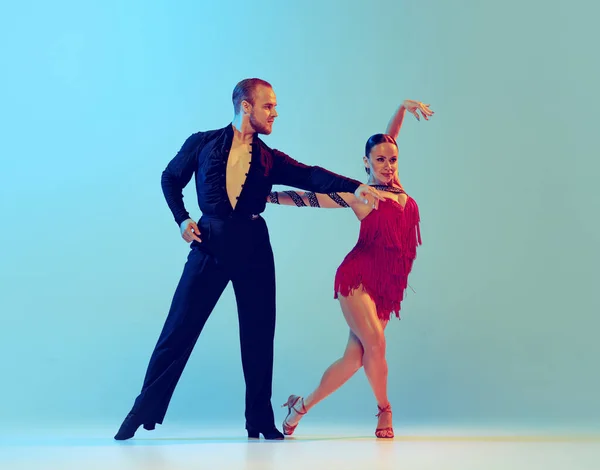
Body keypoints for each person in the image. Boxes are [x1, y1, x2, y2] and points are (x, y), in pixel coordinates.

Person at [113, 78, 385, 441]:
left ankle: (259, 420)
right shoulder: (202, 142)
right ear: (246, 107)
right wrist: (182, 218)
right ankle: (140, 411)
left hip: (254, 247)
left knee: (258, 335)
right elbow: (169, 178)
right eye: (268, 106)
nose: (275, 113)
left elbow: (309, 175)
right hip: (209, 243)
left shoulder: (269, 159)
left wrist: (354, 185)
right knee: (178, 330)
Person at [266, 99, 434, 438]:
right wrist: (267, 197)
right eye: (380, 161)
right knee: (376, 345)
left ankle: (300, 406)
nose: (388, 166)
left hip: (388, 285)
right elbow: (310, 198)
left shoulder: (396, 184)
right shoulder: (363, 196)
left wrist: (402, 108)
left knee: (355, 359)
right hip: (357, 277)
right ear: (366, 163)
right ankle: (385, 411)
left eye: (393, 159)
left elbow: (390, 136)